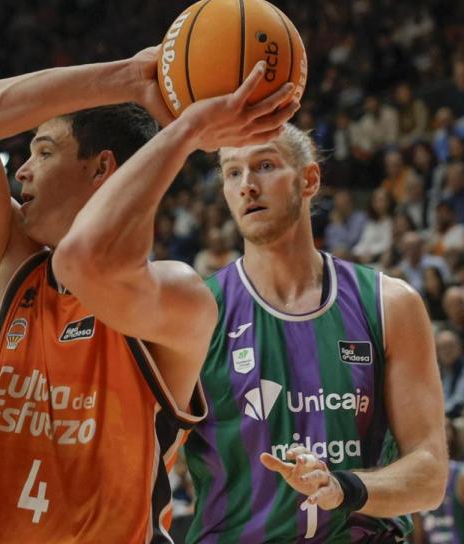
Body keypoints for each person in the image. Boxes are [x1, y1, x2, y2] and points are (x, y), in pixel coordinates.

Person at [0, 47, 297, 541]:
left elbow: (86, 261)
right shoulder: (10, 273)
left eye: (44, 151)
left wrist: (183, 132)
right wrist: (129, 78)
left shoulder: (178, 295)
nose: (22, 171)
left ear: (101, 168)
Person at [180, 124, 446, 541]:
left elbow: (429, 474)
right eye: (233, 173)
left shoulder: (389, 303)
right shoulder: (196, 313)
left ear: (309, 179)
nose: (247, 185)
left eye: (264, 165)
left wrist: (342, 488)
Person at [413, 420, 464, 544]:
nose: (438, 434)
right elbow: (418, 539)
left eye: (444, 428)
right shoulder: (416, 483)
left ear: (454, 435)